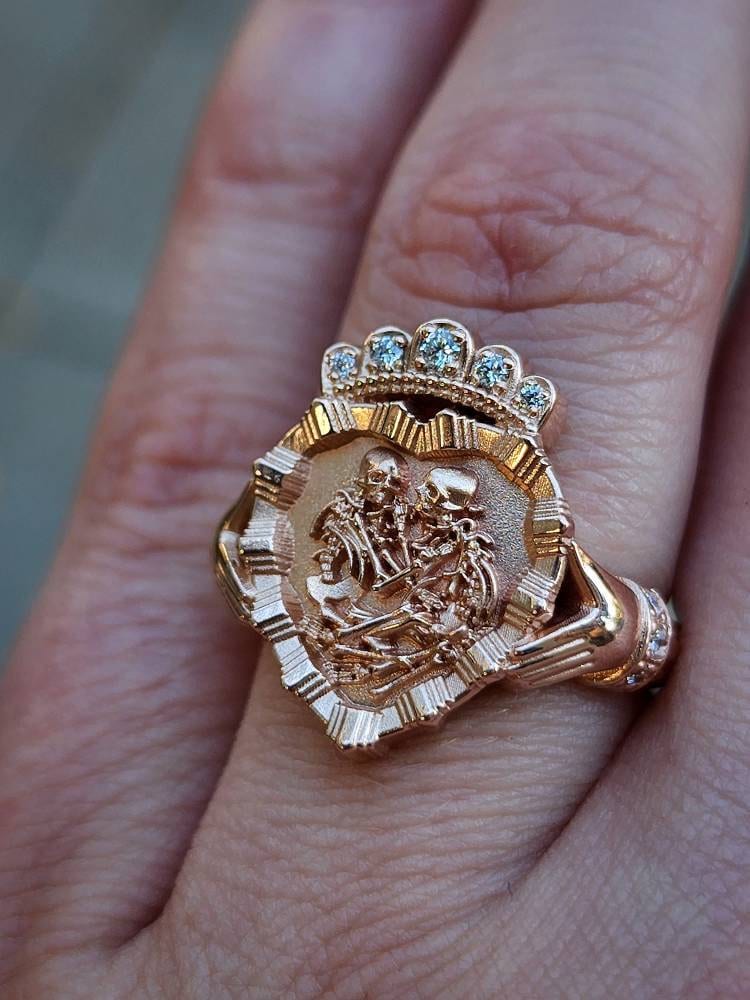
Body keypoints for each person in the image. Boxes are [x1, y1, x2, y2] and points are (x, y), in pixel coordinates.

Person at [2, 1, 749, 996]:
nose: (404, 494)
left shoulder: (463, 548)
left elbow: (525, 602)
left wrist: (622, 640)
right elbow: (297, 548)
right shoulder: (349, 523)